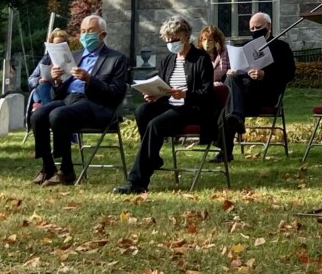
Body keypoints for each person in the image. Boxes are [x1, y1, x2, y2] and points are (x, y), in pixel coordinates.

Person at [114, 16, 214, 194]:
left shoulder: (201, 59)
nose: (170, 43)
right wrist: (155, 95)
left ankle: (137, 181)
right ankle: (153, 158)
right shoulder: (168, 60)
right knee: (142, 111)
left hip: (192, 108)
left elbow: (207, 94)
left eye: (173, 39)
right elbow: (163, 85)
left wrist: (186, 94)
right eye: (167, 40)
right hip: (170, 104)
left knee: (155, 125)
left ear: (184, 36)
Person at [31, 14, 128, 186]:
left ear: (102, 34)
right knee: (38, 115)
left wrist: (90, 79)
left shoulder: (116, 59)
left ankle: (67, 170)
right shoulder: (74, 55)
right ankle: (48, 167)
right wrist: (57, 80)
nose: (85, 35)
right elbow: (59, 91)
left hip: (95, 103)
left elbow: (115, 93)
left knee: (58, 115)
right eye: (83, 31)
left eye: (90, 31)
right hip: (69, 99)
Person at [217, 11, 296, 162]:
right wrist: (230, 72)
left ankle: (224, 151)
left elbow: (289, 75)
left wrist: (264, 75)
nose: (254, 31)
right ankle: (236, 118)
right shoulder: (245, 47)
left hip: (264, 94)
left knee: (227, 104)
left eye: (258, 27)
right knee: (230, 80)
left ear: (269, 26)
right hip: (242, 95)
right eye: (251, 29)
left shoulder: (281, 47)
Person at [28, 27, 70, 110]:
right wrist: (39, 80)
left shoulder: (70, 60)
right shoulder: (46, 59)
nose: (57, 48)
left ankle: (46, 110)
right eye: (55, 45)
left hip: (60, 94)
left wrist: (58, 81)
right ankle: (48, 111)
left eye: (61, 45)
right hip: (43, 91)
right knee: (43, 86)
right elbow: (30, 80)